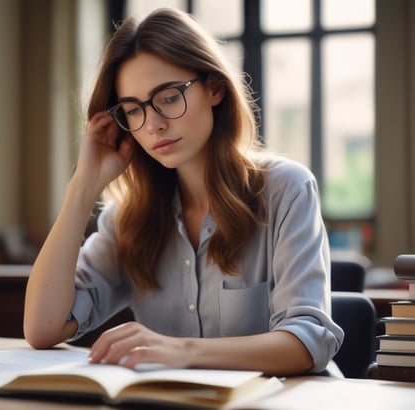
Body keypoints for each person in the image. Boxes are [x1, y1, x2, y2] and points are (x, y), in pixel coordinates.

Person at [24, 7, 343, 376]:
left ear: (215, 88)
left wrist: (179, 350)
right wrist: (82, 187)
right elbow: (43, 328)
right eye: (133, 109)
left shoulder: (286, 189)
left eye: (169, 97)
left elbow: (307, 342)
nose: (154, 125)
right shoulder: (129, 218)